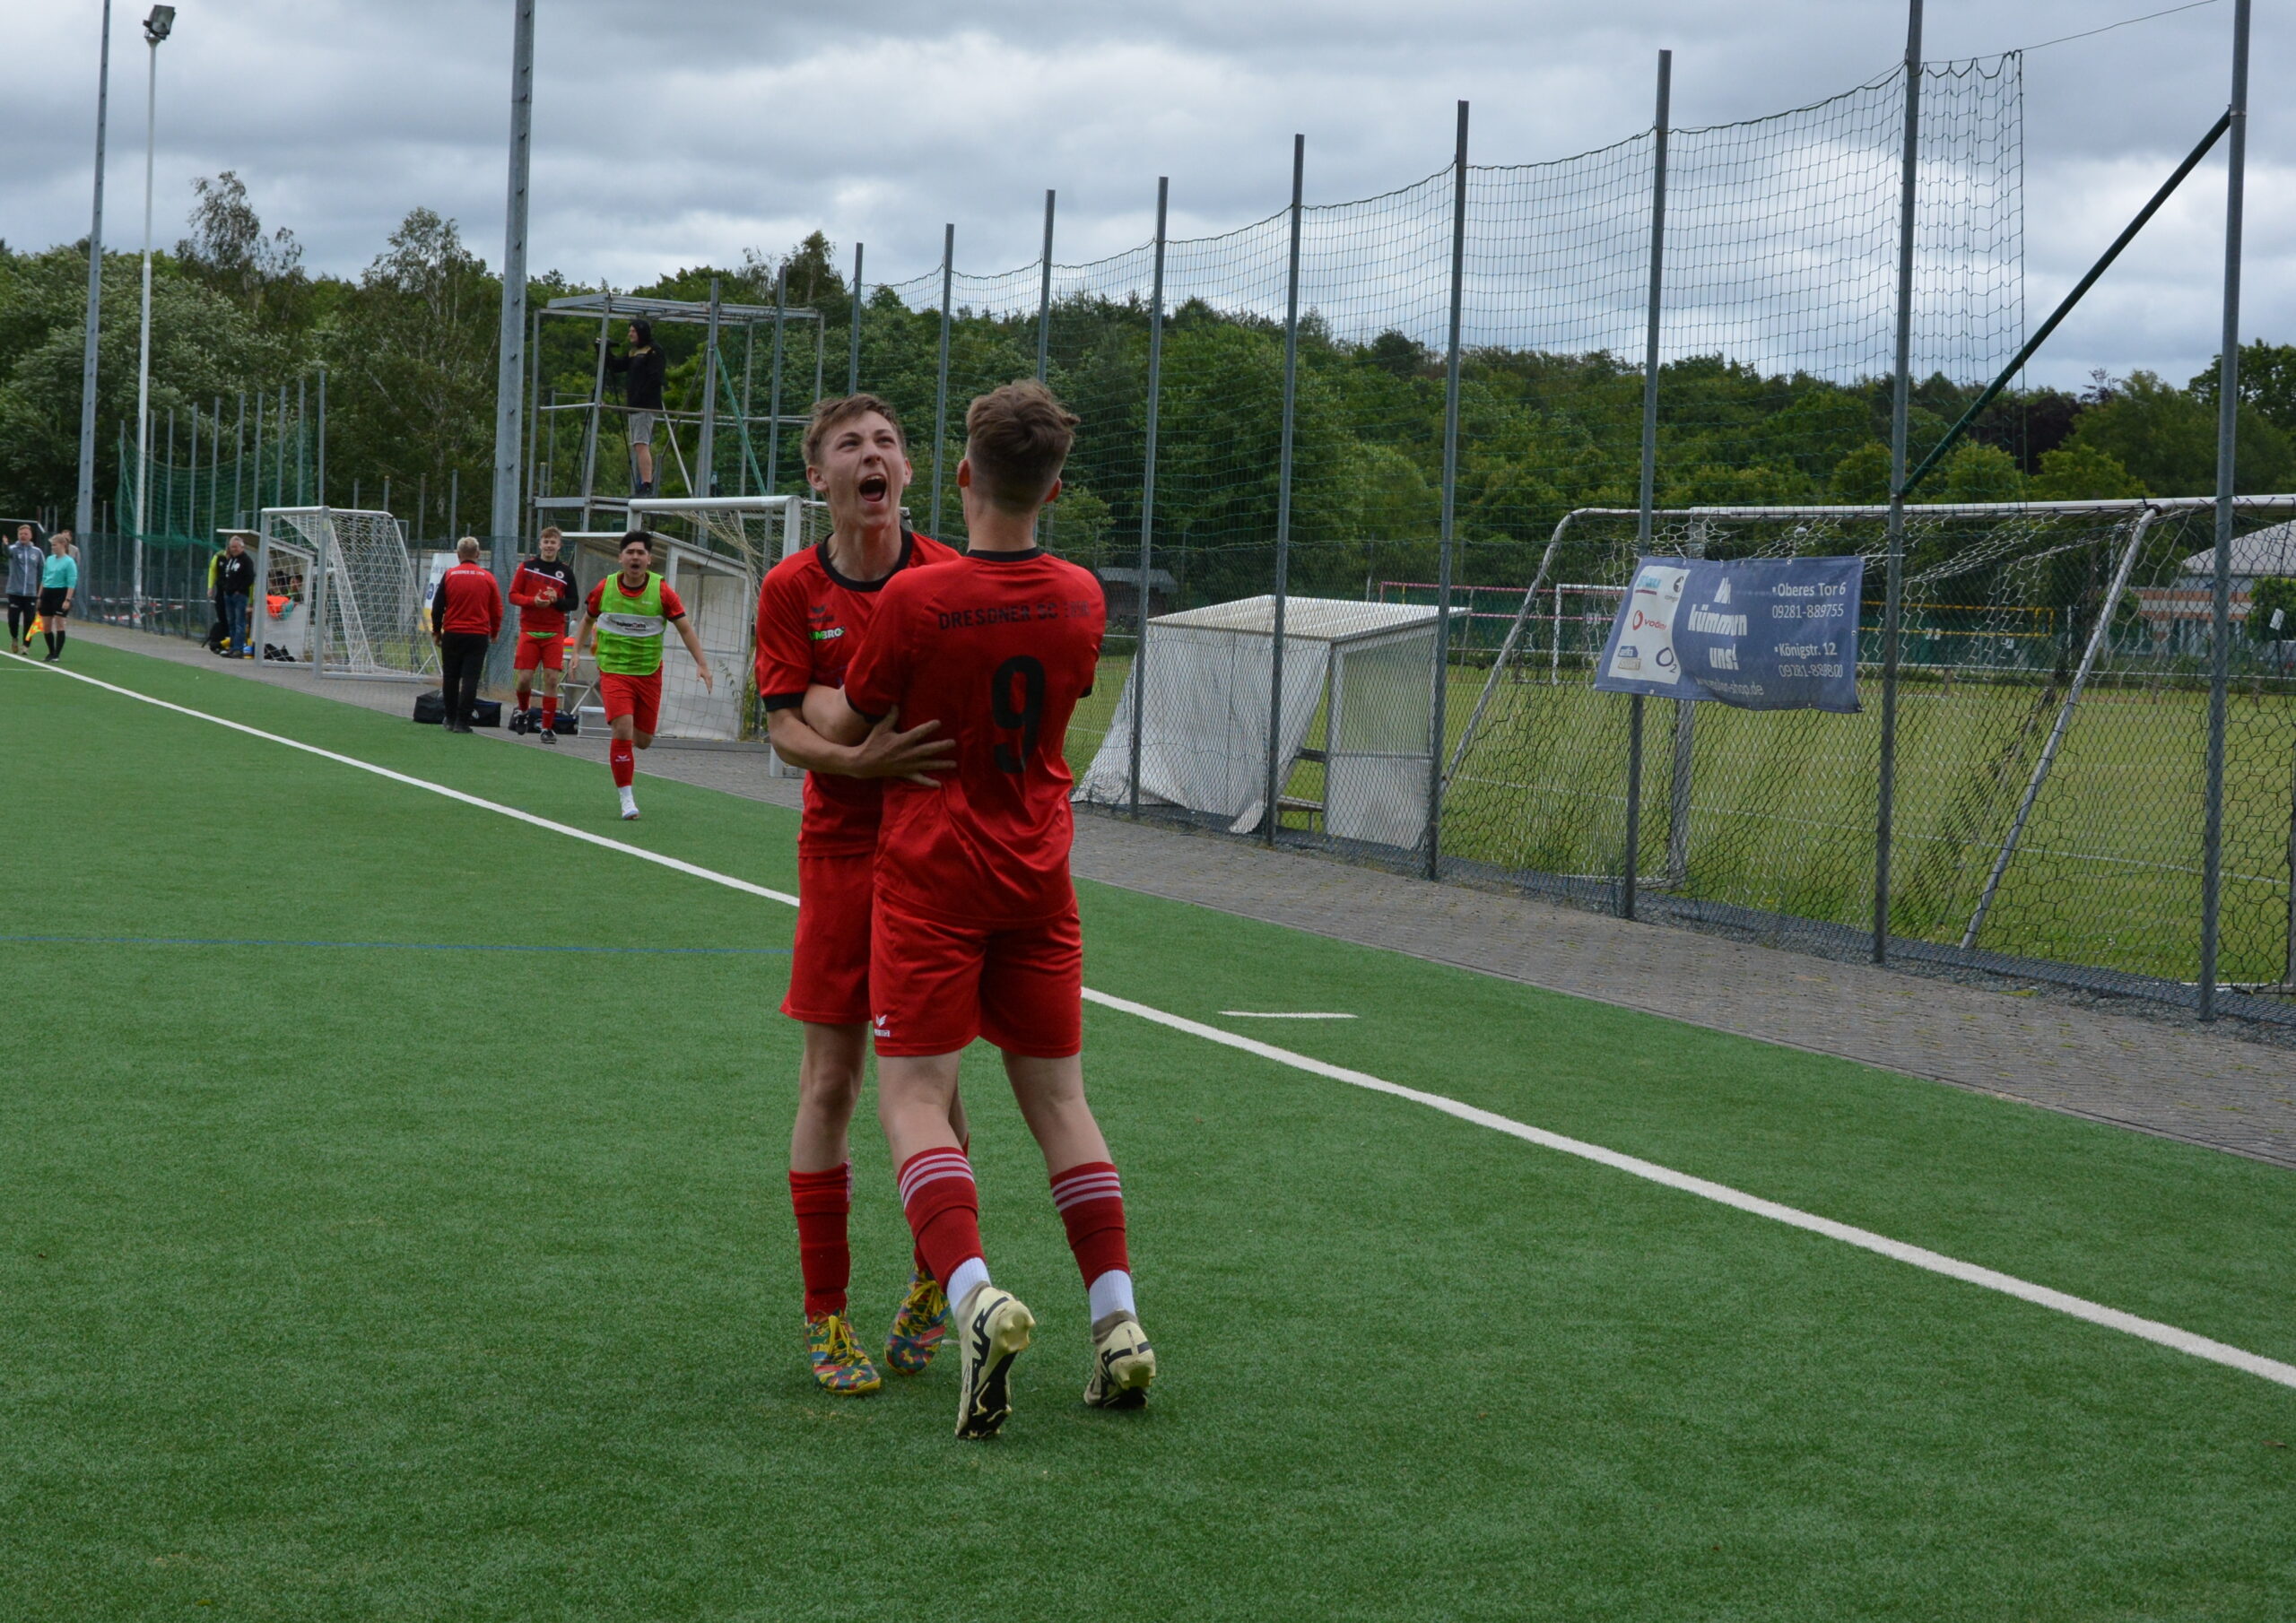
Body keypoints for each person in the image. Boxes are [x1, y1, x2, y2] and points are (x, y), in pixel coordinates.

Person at [816, 381, 1151, 1440]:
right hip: (1038, 875)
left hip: (932, 879)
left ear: (961, 475)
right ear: (1053, 488)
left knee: (913, 1098)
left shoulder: (916, 599)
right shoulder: (1083, 598)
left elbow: (852, 718)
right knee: (1061, 1103)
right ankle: (1118, 1322)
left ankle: (972, 1297)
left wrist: (803, 706)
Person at [753, 394, 968, 1395]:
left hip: (938, 854)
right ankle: (825, 1314)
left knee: (937, 1088)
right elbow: (787, 728)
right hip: (840, 849)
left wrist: (842, 718)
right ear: (819, 476)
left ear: (909, 472)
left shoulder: (951, 578)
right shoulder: (792, 587)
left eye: (886, 442)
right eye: (850, 445)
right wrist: (860, 759)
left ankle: (934, 1280)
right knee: (832, 1083)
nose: (871, 455)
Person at [573, 531, 715, 820]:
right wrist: (576, 651)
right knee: (623, 728)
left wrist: (702, 664)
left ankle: (625, 751)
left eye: (641, 553)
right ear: (620, 557)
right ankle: (627, 799)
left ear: (649, 559)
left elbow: (685, 629)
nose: (635, 557)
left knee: (644, 740)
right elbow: (587, 619)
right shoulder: (605, 587)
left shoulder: (662, 592)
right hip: (614, 670)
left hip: (648, 672)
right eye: (630, 552)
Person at [509, 525, 580, 742]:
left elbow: (574, 603)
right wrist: (534, 601)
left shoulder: (565, 572)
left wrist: (556, 600)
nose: (549, 546)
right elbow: (513, 595)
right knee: (524, 679)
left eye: (553, 542)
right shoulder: (527, 567)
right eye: (546, 542)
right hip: (529, 631)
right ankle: (523, 711)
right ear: (540, 544)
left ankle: (547, 728)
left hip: (553, 633)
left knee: (551, 679)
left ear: (559, 546)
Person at [429, 537, 503, 733]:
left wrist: (437, 631)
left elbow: (438, 606)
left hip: (453, 633)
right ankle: (462, 722)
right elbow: (496, 609)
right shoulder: (487, 577)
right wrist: (495, 631)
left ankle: (450, 718)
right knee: (471, 678)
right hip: (477, 634)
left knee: (451, 677)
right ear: (478, 554)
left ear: (458, 554)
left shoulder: (450, 575)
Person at [604, 320, 666, 497]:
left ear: (641, 332)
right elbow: (617, 367)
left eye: (633, 331)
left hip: (645, 404)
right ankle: (644, 483)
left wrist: (641, 395)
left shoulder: (653, 350)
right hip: (634, 405)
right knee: (638, 444)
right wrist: (604, 351)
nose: (630, 334)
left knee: (641, 444)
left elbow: (656, 377)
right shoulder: (634, 351)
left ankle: (646, 484)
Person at [38, 531, 78, 663]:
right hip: (47, 593)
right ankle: (51, 652)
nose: (52, 547)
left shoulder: (69, 562)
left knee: (59, 624)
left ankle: (56, 654)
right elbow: (44, 578)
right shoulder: (49, 559)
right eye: (52, 545)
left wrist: (67, 600)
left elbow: (72, 581)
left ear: (62, 545)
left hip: (60, 593)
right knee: (46, 626)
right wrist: (39, 597)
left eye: (55, 545)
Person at [213, 534, 256, 659]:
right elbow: (224, 575)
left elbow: (250, 578)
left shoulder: (246, 561)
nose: (233, 549)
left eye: (236, 547)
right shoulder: (230, 560)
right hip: (229, 595)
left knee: (239, 623)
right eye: (232, 547)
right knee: (231, 622)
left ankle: (238, 649)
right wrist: (225, 588)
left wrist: (239, 590)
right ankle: (232, 648)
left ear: (242, 547)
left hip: (240, 596)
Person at [6, 524, 41, 655]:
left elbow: (43, 571)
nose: (23, 536)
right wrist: (4, 545)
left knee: (29, 620)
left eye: (26, 534)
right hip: (15, 592)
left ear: (30, 535)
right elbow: (6, 552)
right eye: (21, 534)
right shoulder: (13, 549)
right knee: (13, 620)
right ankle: (14, 638)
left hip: (30, 593)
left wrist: (40, 591)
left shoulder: (37, 552)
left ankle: (26, 645)